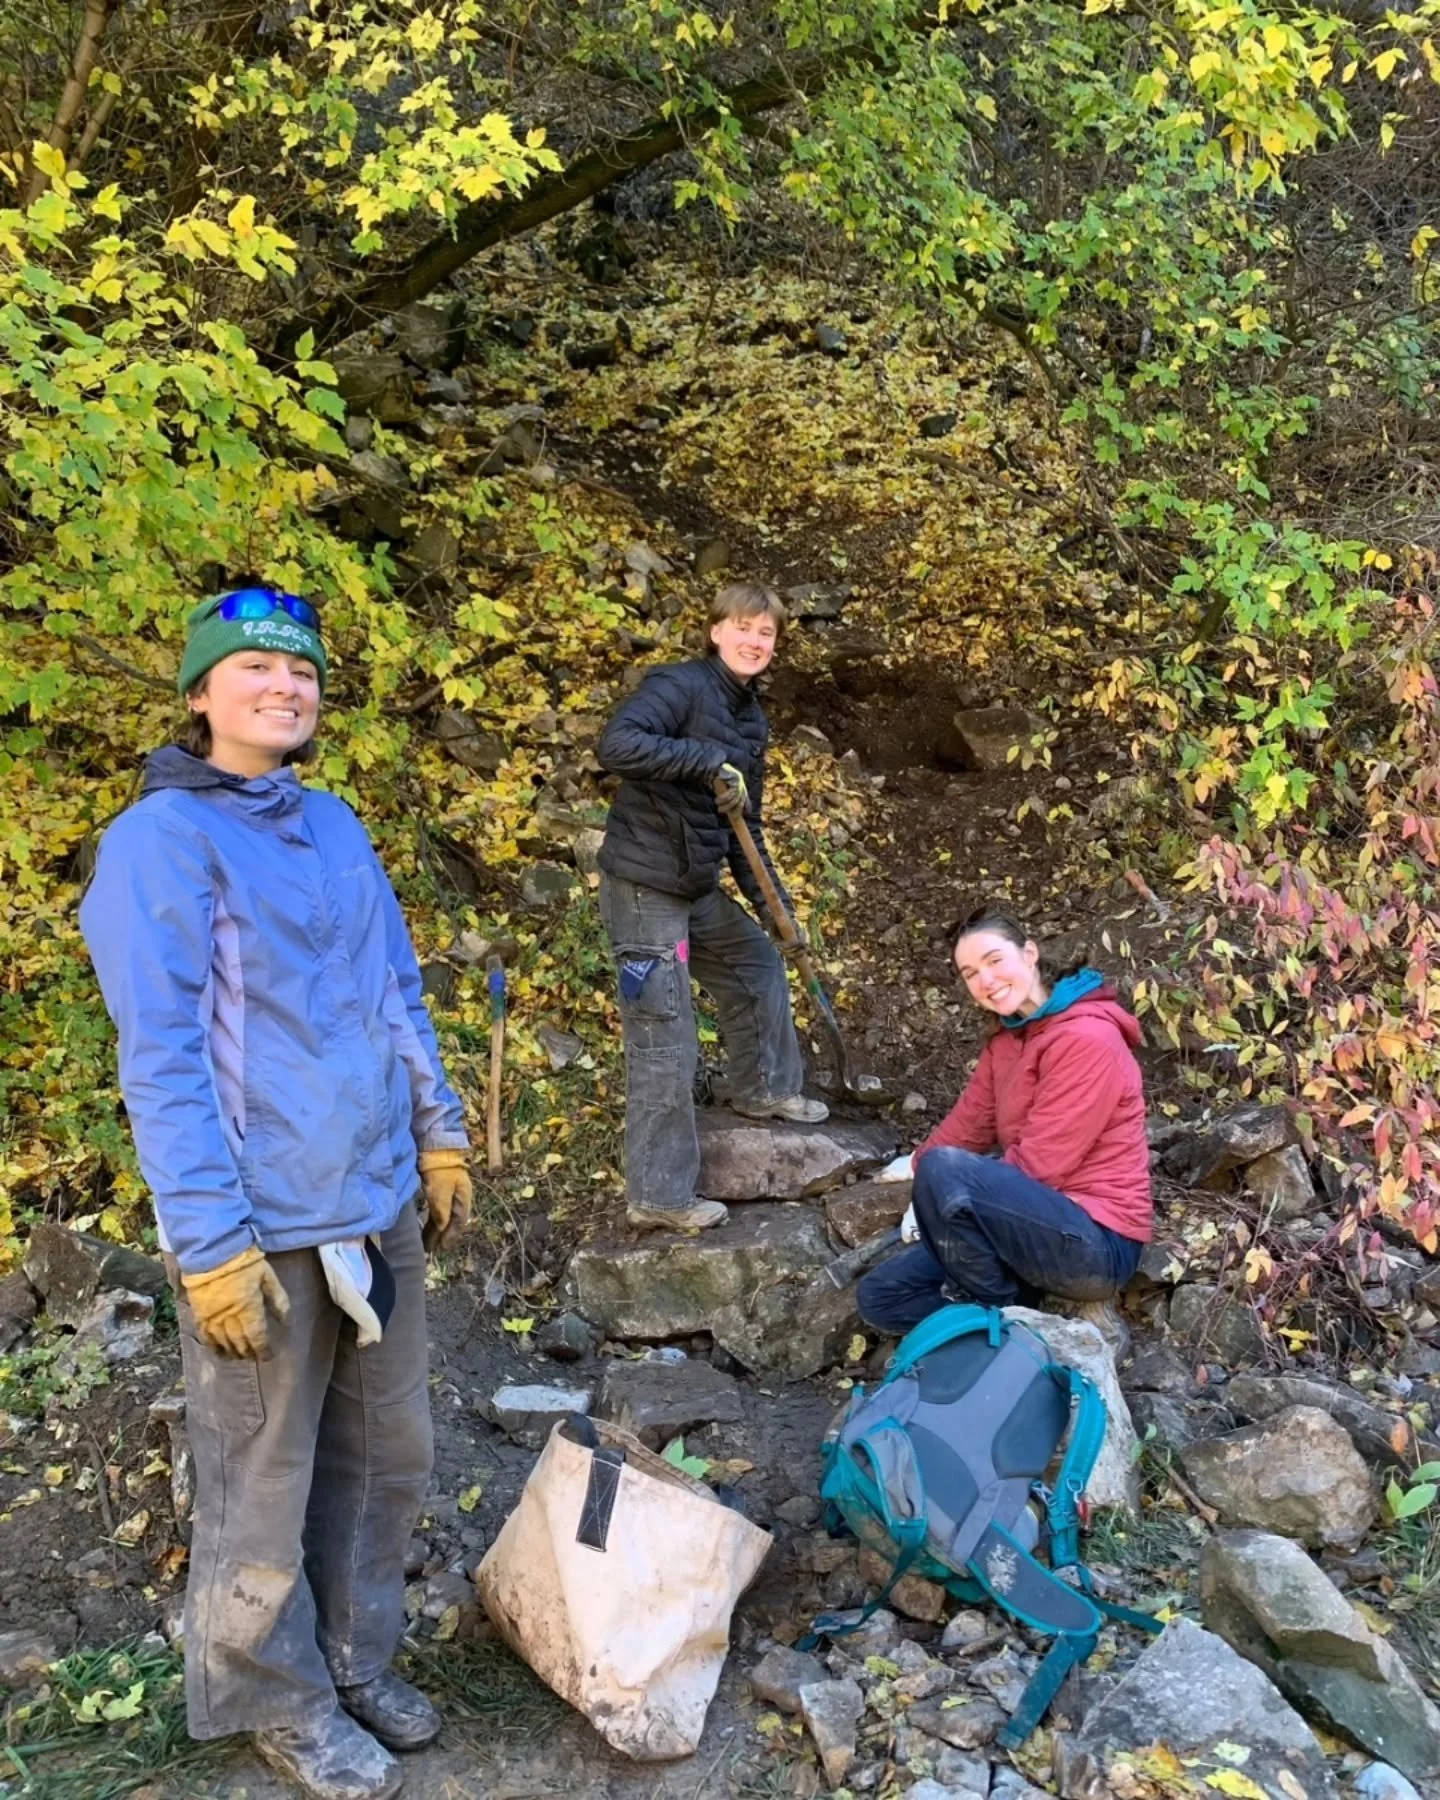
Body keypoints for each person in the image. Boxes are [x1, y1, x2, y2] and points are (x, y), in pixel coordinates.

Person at [80, 585, 473, 1800]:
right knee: (262, 1478)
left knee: (388, 1454)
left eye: (301, 670)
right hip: (261, 1224)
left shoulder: (333, 825)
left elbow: (396, 992)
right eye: (253, 667)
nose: (284, 686)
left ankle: (355, 1660)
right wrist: (208, 1244)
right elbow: (163, 1059)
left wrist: (440, 1137)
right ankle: (274, 1698)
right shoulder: (160, 843)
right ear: (201, 694)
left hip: (373, 1203)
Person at [596, 581, 828, 1232]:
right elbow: (617, 744)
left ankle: (763, 1089)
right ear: (716, 631)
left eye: (766, 632)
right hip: (644, 888)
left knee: (755, 963)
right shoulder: (680, 685)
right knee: (664, 1035)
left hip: (693, 885)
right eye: (743, 627)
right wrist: (705, 760)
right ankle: (659, 1195)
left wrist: (778, 911)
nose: (754, 641)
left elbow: (743, 831)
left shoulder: (750, 719)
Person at [858, 906, 1150, 1334]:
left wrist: (938, 1194)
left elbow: (1042, 1163)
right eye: (971, 973)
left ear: (1029, 954)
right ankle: (1010, 1307)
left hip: (1096, 1241)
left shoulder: (1088, 1038)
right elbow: (973, 1119)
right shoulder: (1010, 1038)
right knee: (881, 1297)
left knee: (947, 1172)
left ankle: (998, 1311)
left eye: (994, 960)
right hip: (1030, 1227)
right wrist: (916, 1165)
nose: (986, 980)